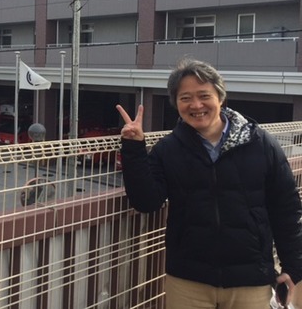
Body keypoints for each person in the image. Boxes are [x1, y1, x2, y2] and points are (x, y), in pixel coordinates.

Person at [116, 58, 302, 309]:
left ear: (220, 98)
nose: (196, 105)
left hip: (251, 280)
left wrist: (293, 266)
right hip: (188, 280)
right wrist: (133, 148)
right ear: (176, 104)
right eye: (185, 98)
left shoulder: (260, 143)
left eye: (204, 95)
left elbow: (287, 209)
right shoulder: (168, 149)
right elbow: (146, 201)